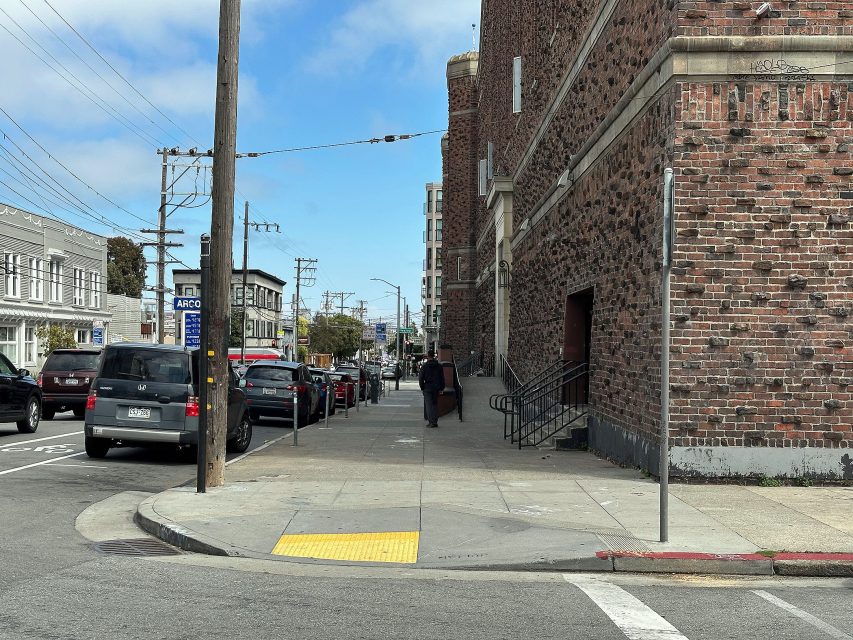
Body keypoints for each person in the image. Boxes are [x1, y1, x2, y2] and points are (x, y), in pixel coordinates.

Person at [418, 350, 444, 428]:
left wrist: (422, 387)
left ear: (428, 356)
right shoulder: (439, 366)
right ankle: (435, 421)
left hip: (428, 387)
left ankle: (431, 422)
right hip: (436, 387)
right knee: (435, 404)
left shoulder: (425, 366)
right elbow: (442, 377)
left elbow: (421, 378)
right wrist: (441, 387)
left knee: (429, 405)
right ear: (434, 356)